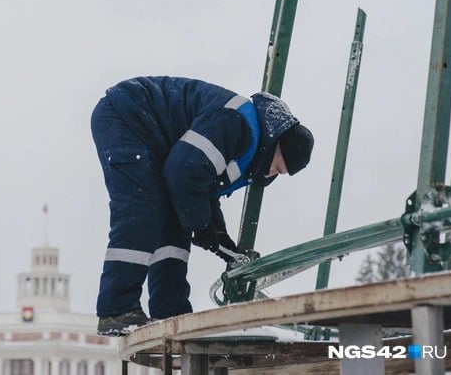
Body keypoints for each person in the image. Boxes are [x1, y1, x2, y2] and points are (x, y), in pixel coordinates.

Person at [91, 76, 314, 336]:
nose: (270, 175)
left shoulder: (248, 147)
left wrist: (216, 233)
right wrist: (202, 224)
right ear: (276, 143)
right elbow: (184, 173)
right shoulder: (236, 124)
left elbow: (199, 186)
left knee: (174, 224)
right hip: (128, 118)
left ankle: (170, 314)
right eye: (277, 166)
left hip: (156, 141)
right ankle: (117, 310)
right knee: (142, 209)